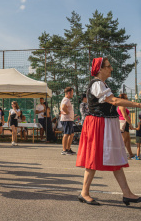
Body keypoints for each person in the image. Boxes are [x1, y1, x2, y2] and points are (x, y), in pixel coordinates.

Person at [76, 57, 141, 206]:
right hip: (99, 124)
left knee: (117, 157)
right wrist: (138, 104)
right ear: (101, 69)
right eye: (109, 66)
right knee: (93, 158)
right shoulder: (97, 84)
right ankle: (84, 192)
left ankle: (127, 193)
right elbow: (114, 101)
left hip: (106, 124)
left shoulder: (102, 84)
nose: (111, 68)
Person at [117, 93, 135, 159]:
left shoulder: (123, 105)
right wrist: (130, 124)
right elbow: (125, 116)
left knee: (127, 139)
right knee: (124, 139)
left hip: (125, 123)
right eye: (126, 98)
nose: (127, 99)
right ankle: (119, 154)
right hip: (124, 123)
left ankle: (131, 154)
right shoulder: (122, 106)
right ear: (123, 99)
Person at [60, 87, 75, 155]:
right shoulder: (66, 100)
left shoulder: (66, 100)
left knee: (71, 134)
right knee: (66, 134)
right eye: (72, 93)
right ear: (69, 93)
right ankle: (64, 150)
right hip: (67, 120)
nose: (73, 94)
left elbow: (61, 108)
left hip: (69, 119)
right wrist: (67, 112)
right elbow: (62, 107)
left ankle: (68, 149)